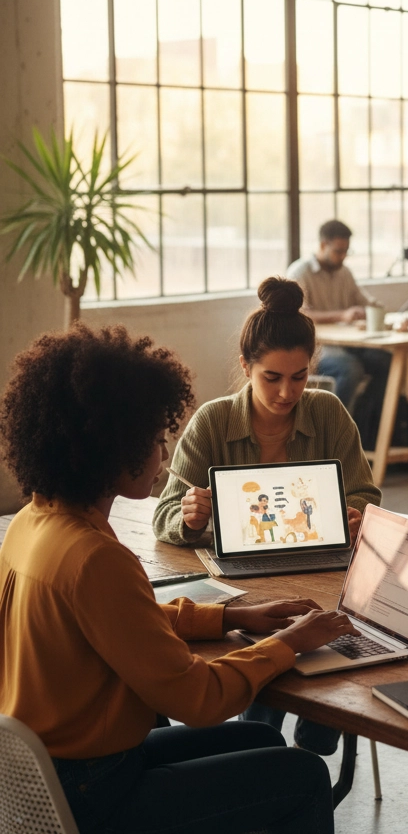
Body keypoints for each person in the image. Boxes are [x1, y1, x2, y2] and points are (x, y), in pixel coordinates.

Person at [0, 324, 355, 834]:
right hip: (94, 792)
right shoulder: (94, 557)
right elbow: (198, 699)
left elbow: (121, 621)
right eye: (155, 439)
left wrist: (230, 615)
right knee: (301, 775)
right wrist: (287, 644)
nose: (163, 456)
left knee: (263, 743)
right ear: (112, 447)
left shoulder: (33, 523)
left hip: (39, 775)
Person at [153, 276, 381, 757]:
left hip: (325, 570)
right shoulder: (213, 422)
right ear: (246, 367)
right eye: (271, 378)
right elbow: (166, 514)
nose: (286, 392)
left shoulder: (330, 413)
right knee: (273, 631)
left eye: (298, 377)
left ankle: (310, 731)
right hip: (242, 582)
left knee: (338, 624)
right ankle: (263, 750)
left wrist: (357, 513)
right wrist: (191, 517)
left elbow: (366, 492)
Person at [287, 218, 391, 412]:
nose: (343, 256)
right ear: (322, 245)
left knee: (388, 363)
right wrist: (342, 315)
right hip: (315, 347)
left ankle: (365, 423)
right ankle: (333, 428)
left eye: (346, 251)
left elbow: (367, 302)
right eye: (338, 251)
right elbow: (298, 314)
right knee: (350, 369)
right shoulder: (299, 272)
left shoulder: (345, 273)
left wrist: (378, 312)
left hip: (350, 344)